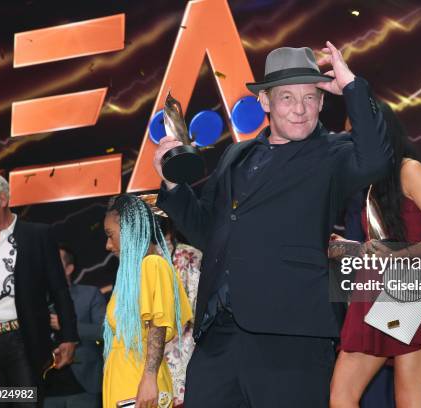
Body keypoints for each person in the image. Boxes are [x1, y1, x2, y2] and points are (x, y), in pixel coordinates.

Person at [153, 42, 392, 407]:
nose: (300, 109)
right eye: (287, 98)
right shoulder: (237, 154)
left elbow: (376, 160)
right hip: (220, 335)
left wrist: (351, 86)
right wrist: (172, 184)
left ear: (323, 102)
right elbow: (207, 231)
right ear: (264, 101)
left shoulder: (333, 153)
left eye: (310, 98)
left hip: (291, 336)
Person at [328, 103, 421, 408]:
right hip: (379, 286)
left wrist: (397, 256)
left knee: (406, 398)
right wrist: (351, 246)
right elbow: (385, 245)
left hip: (407, 286)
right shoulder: (372, 184)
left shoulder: (409, 169)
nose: (351, 141)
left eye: (355, 133)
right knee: (346, 394)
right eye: (349, 135)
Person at [0, 173, 78, 405]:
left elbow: (59, 289)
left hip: (23, 344)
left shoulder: (37, 235)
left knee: (26, 401)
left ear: (3, 199)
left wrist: (68, 337)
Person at [102, 194, 192, 408]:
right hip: (125, 383)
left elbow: (157, 324)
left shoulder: (153, 265)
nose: (107, 245)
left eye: (110, 235)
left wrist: (149, 380)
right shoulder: (132, 276)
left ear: (129, 231)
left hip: (140, 387)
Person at [44, 245, 106, 408]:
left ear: (69, 268)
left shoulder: (90, 294)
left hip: (83, 388)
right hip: (46, 390)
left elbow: (104, 331)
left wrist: (67, 327)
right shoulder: (35, 300)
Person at [160, 220, 202, 408]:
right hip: (160, 355)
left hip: (182, 353)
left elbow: (195, 309)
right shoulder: (190, 254)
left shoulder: (188, 255)